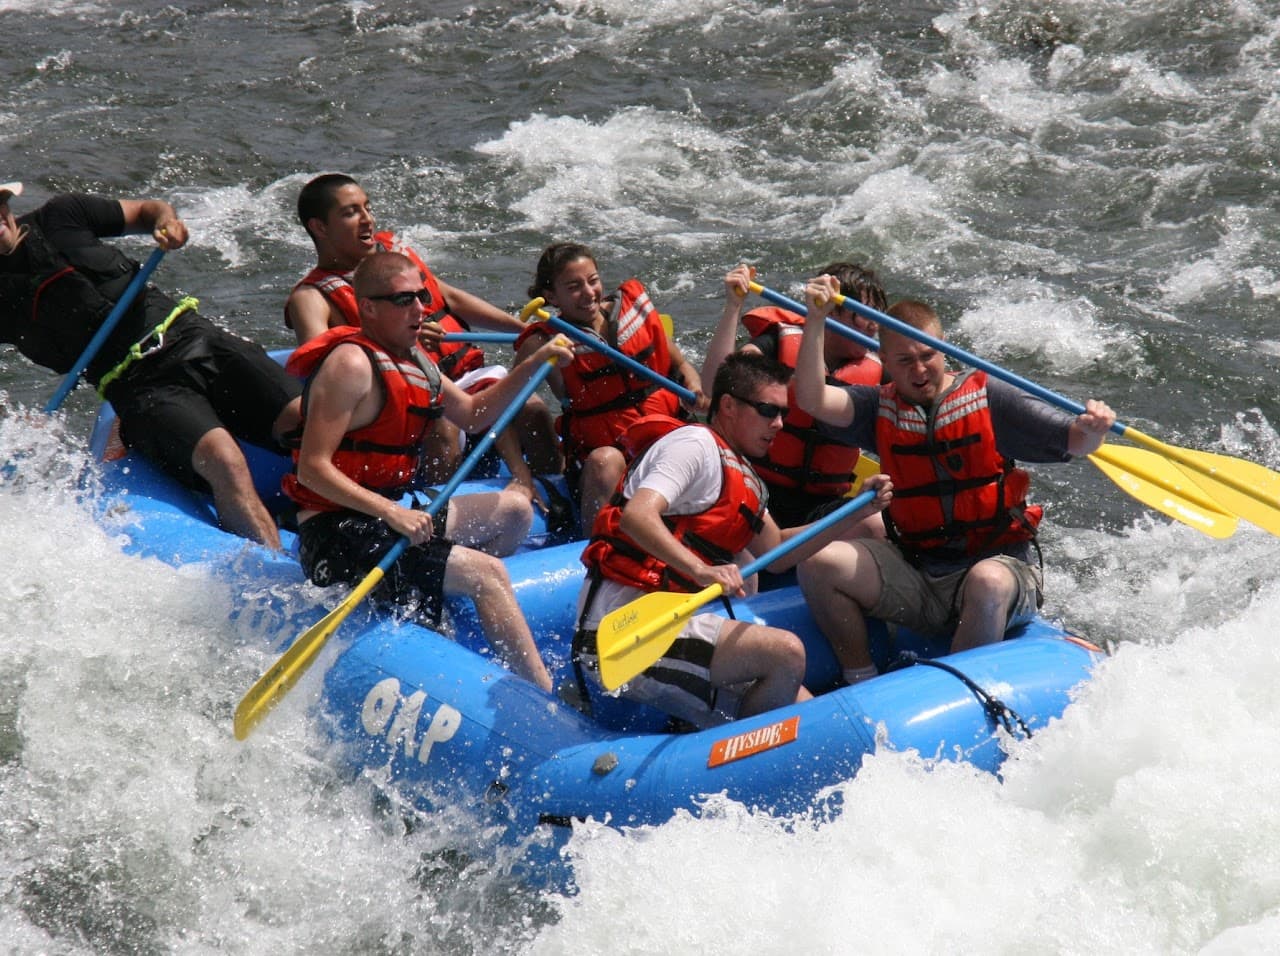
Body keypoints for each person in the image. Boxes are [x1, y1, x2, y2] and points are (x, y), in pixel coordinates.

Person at [793, 277, 1116, 684]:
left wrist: (1094, 428)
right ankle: (859, 677)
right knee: (818, 563)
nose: (920, 369)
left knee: (987, 581)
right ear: (885, 363)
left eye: (928, 355)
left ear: (944, 349)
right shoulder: (877, 406)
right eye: (905, 361)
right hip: (920, 572)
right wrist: (816, 319)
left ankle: (956, 688)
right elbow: (811, 399)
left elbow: (1074, 441)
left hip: (998, 569)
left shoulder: (990, 396)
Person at [283, 252, 573, 692]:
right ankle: (545, 698)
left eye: (421, 296)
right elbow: (312, 470)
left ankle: (461, 603)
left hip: (388, 513)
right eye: (403, 300)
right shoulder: (350, 364)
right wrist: (392, 513)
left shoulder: (416, 360)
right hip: (338, 530)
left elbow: (474, 415)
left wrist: (532, 365)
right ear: (369, 308)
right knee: (488, 576)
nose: (420, 309)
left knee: (515, 511)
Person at [572, 351, 892, 728]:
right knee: (786, 653)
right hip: (621, 632)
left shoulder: (745, 477)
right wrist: (702, 570)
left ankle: (712, 743)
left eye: (783, 414)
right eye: (767, 410)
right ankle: (738, 749)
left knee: (803, 709)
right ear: (727, 405)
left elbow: (777, 553)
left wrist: (856, 512)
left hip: (668, 628)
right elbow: (637, 516)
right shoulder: (692, 445)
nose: (778, 424)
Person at [0, 183, 302, 549]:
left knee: (302, 419)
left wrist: (166, 222)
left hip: (193, 337)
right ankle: (271, 568)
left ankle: (353, 514)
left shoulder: (64, 215)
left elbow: (148, 211)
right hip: (139, 386)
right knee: (225, 461)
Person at [286, 173, 561, 492]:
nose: (367, 219)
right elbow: (320, 360)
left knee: (533, 409)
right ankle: (434, 516)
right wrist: (401, 338)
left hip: (460, 380)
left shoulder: (393, 255)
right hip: (403, 399)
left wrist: (525, 330)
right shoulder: (310, 297)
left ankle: (554, 497)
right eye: (350, 213)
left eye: (367, 207)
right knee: (441, 426)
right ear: (320, 227)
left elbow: (451, 298)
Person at [515, 241, 708, 534]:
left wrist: (694, 387)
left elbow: (680, 365)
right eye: (574, 287)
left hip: (665, 440)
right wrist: (521, 474)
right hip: (609, 461)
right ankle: (597, 552)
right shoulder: (542, 342)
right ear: (551, 296)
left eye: (592, 281)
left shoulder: (633, 312)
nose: (589, 293)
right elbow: (506, 405)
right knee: (605, 460)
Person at [703, 262, 887, 534]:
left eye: (878, 315)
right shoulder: (780, 343)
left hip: (823, 504)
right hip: (758, 486)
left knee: (878, 524)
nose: (874, 324)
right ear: (830, 311)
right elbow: (714, 386)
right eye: (863, 313)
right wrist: (733, 307)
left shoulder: (881, 371)